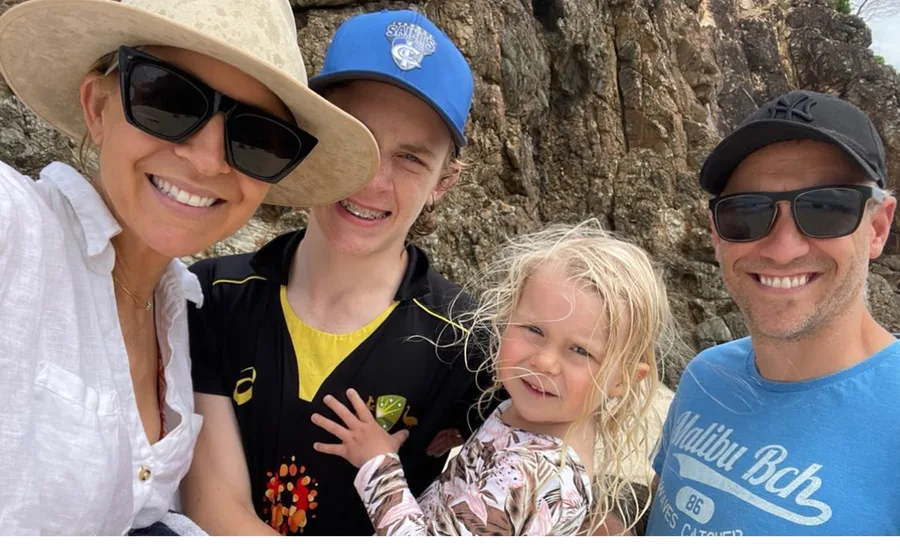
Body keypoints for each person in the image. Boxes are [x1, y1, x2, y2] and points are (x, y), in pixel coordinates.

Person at [0, 0, 377, 536]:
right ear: (98, 107)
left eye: (255, 138)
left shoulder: (178, 308)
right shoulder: (18, 230)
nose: (206, 159)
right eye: (169, 100)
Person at [181, 9, 484, 536]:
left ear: (444, 181)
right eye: (356, 141)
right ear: (309, 136)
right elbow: (215, 509)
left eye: (410, 159)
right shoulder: (212, 297)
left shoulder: (468, 344)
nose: (372, 182)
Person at [312, 220, 678, 535]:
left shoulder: (527, 475)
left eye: (580, 351)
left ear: (622, 380)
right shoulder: (544, 424)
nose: (545, 362)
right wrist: (473, 439)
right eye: (534, 330)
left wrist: (378, 464)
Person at [646, 90, 899, 536]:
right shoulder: (705, 376)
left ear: (877, 227)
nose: (783, 249)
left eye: (826, 208)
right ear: (717, 234)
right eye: (747, 212)